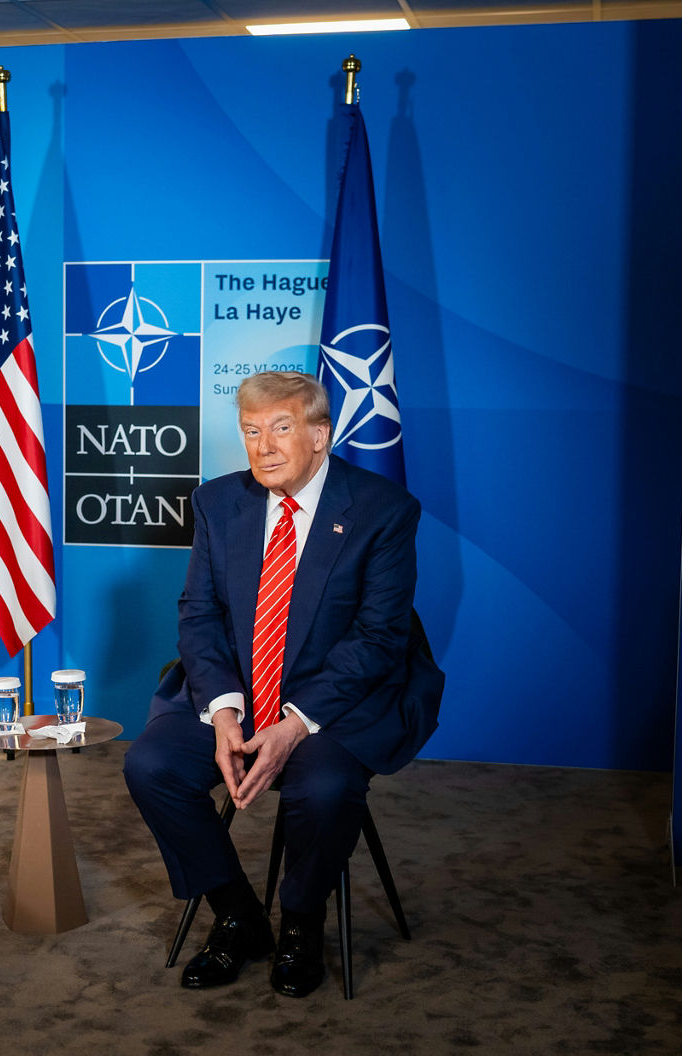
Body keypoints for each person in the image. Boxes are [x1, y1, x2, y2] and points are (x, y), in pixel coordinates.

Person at [123, 370, 442, 998]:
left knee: (323, 787)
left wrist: (295, 724)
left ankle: (301, 921)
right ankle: (238, 916)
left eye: (282, 428)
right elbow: (199, 613)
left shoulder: (383, 511)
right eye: (250, 431)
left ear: (320, 435)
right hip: (237, 691)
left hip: (336, 703)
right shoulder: (219, 502)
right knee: (151, 765)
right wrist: (222, 714)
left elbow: (380, 639)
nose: (263, 446)